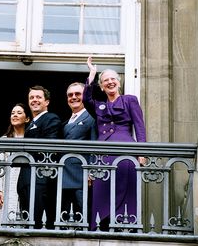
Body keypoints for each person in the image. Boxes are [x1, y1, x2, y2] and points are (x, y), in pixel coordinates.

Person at [84, 56, 146, 231]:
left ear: (119, 82)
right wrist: (92, 74)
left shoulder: (129, 100)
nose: (110, 82)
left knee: (125, 190)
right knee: (102, 192)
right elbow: (86, 99)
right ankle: (101, 226)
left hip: (126, 152)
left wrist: (142, 152)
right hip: (103, 154)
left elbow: (140, 127)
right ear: (102, 87)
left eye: (113, 79)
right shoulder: (99, 106)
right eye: (105, 81)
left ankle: (124, 226)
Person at [17, 85, 62, 229]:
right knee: (27, 221)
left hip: (40, 179)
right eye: (31, 97)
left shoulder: (51, 118)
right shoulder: (31, 123)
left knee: (35, 224)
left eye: (38, 97)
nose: (34, 100)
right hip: (26, 179)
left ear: (47, 102)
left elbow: (49, 147)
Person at [61, 82, 97, 222]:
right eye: (70, 95)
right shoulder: (65, 122)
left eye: (78, 94)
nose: (73, 97)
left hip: (81, 176)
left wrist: (91, 172)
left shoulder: (91, 117)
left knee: (82, 217)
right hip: (64, 176)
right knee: (64, 219)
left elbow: (95, 146)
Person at [0, 103, 31, 227]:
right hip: (7, 186)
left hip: (26, 184)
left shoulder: (32, 138)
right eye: (13, 113)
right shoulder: (4, 139)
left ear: (27, 118)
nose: (15, 115)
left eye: (19, 113)